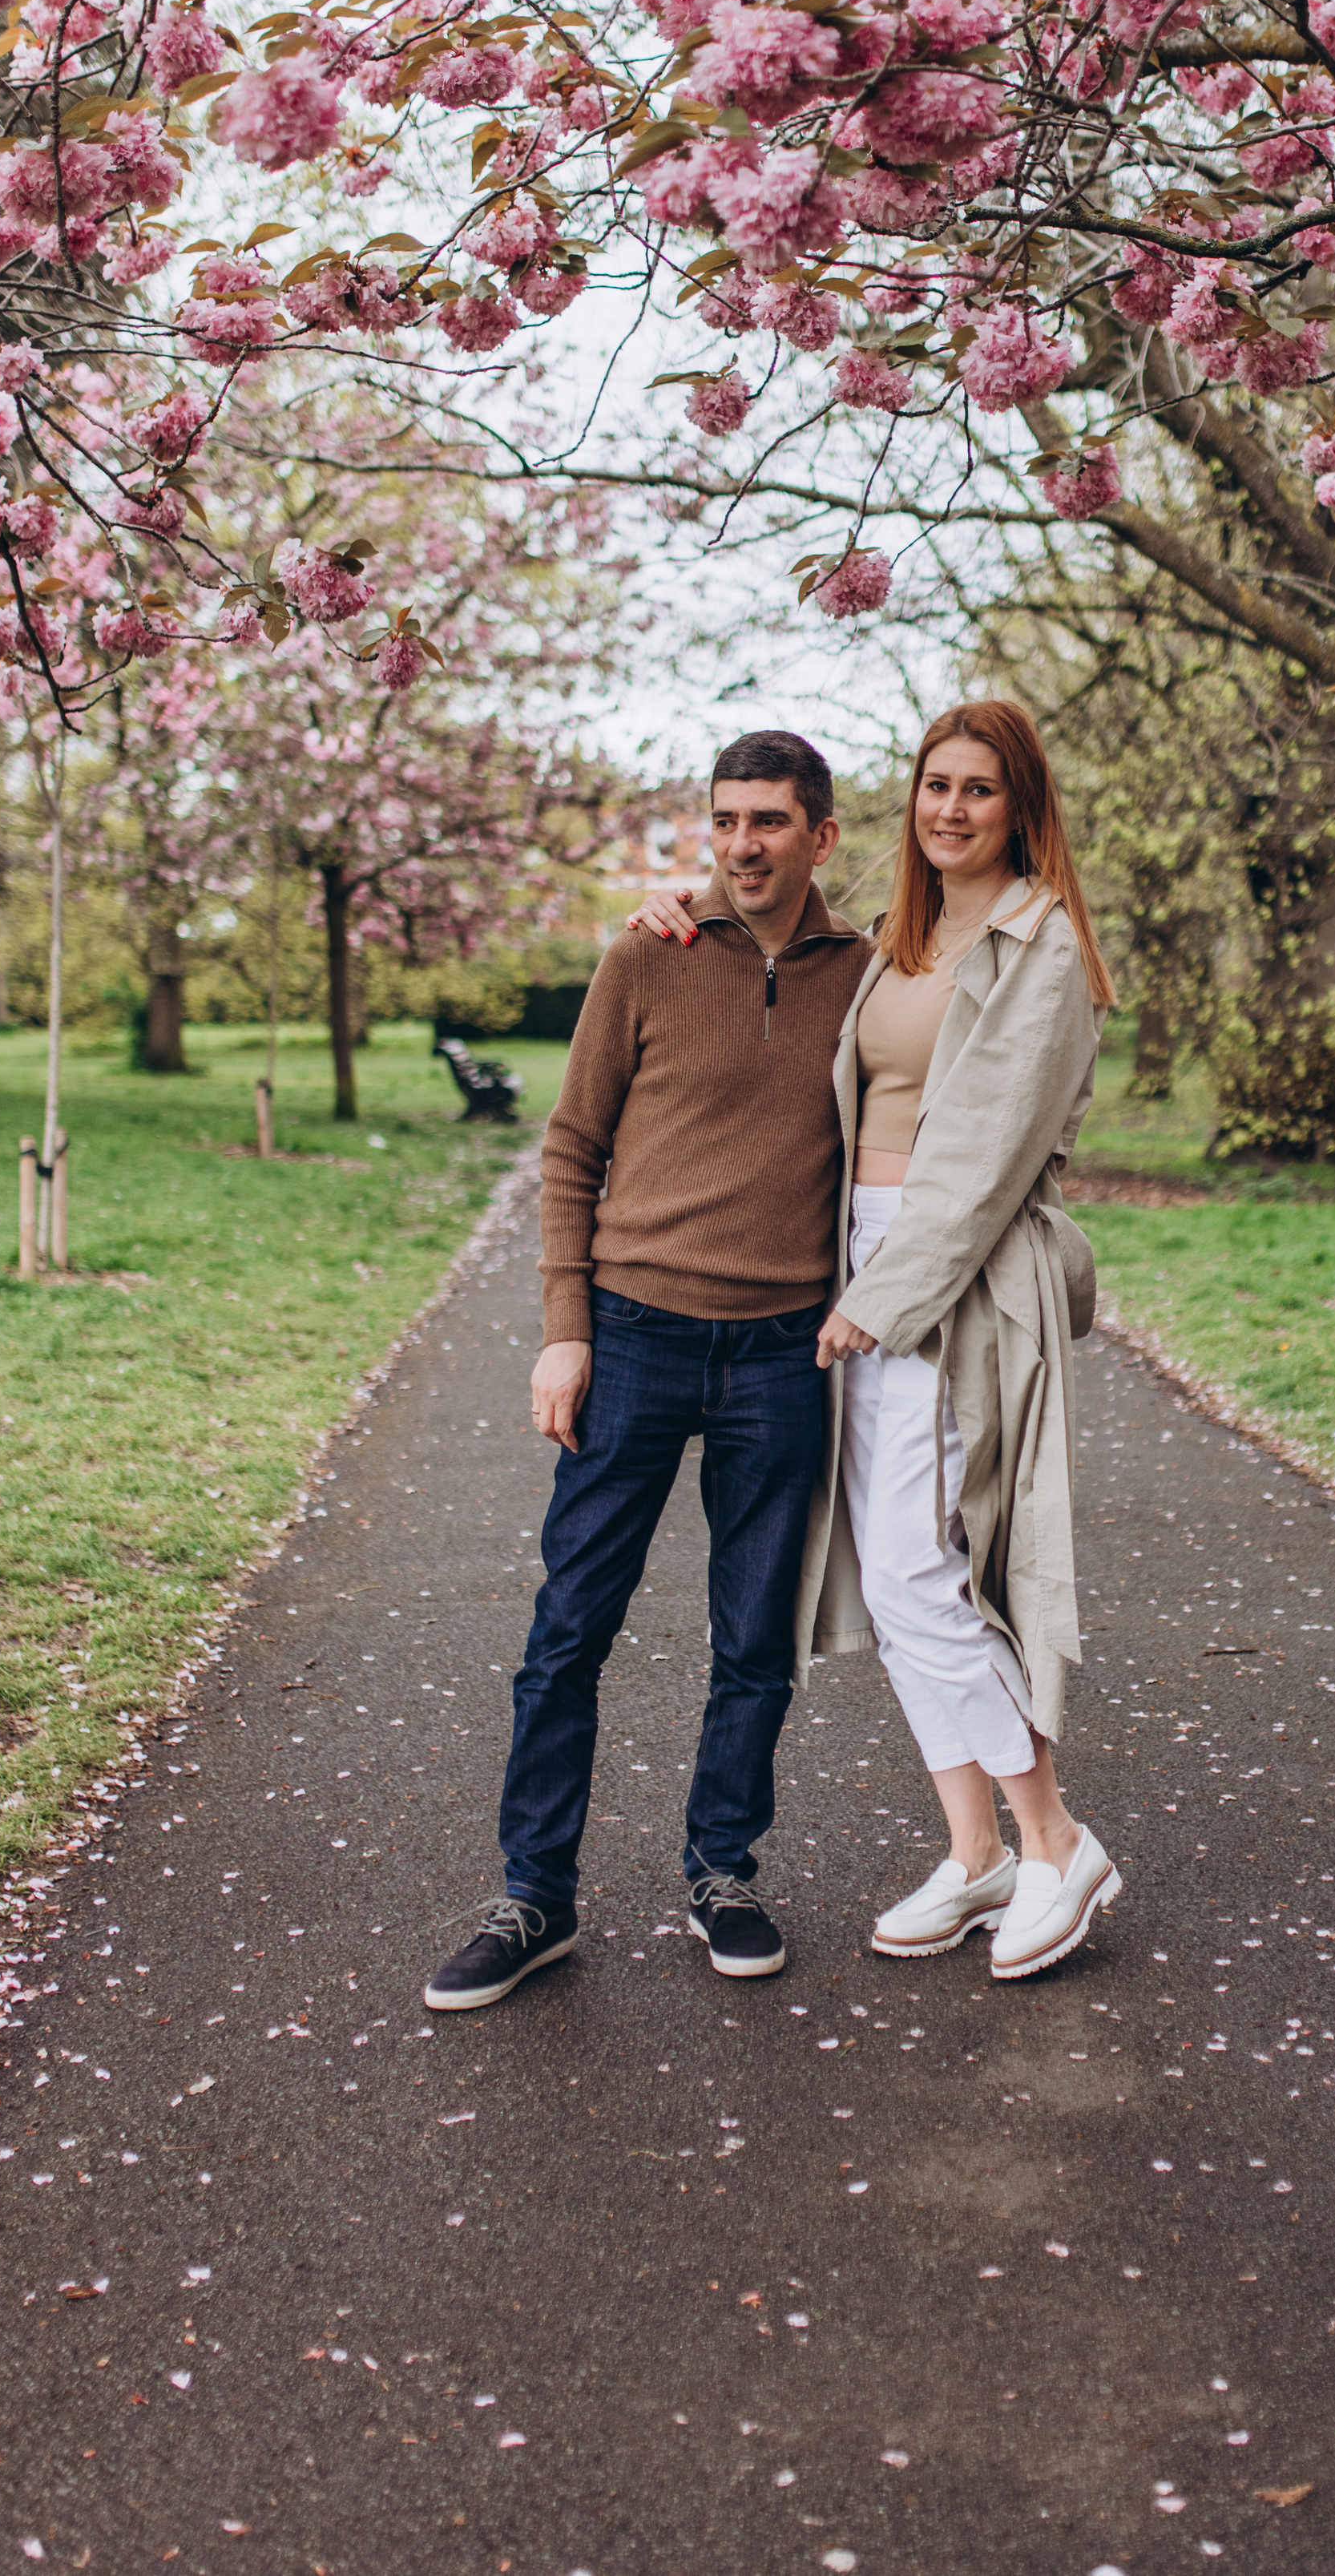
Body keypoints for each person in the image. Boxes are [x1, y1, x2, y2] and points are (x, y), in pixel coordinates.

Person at [633, 698, 1119, 1981]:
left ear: (1022, 808)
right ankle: (976, 1853)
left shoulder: (1044, 943)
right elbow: (774, 927)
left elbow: (989, 1153)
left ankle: (1055, 1837)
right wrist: (677, 911)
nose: (950, 809)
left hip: (943, 1272)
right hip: (860, 1251)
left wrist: (885, 1290)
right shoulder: (906, 935)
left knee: (915, 1564)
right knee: (882, 1569)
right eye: (934, 786)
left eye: (979, 789)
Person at [425, 731, 873, 2013]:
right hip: (633, 1335)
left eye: (772, 821)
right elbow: (570, 1147)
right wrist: (565, 1324)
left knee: (754, 1637)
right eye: (727, 819)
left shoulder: (867, 976)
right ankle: (533, 1896)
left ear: (820, 835)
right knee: (570, 1628)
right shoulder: (645, 954)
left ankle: (723, 1870)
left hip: (785, 1349)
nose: (744, 843)